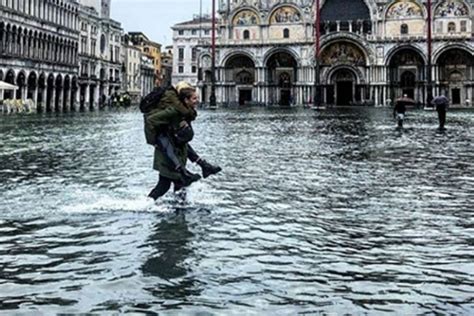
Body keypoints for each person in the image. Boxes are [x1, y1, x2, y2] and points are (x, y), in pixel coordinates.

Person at [146, 85, 221, 201]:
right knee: (167, 184)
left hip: (178, 152)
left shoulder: (185, 112)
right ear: (186, 100)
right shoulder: (174, 111)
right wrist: (153, 141)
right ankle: (148, 204)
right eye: (194, 99)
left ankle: (175, 208)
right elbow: (150, 120)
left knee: (174, 184)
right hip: (167, 154)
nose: (197, 101)